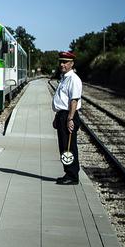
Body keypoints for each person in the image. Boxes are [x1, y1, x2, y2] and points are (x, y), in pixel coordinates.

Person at [52, 51, 82, 185]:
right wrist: (57, 116)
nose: (62, 64)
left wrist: (70, 119)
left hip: (69, 115)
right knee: (64, 146)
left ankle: (72, 175)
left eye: (65, 62)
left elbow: (74, 100)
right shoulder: (65, 77)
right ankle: (68, 172)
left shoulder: (74, 79)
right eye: (61, 62)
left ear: (72, 64)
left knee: (69, 146)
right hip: (62, 115)